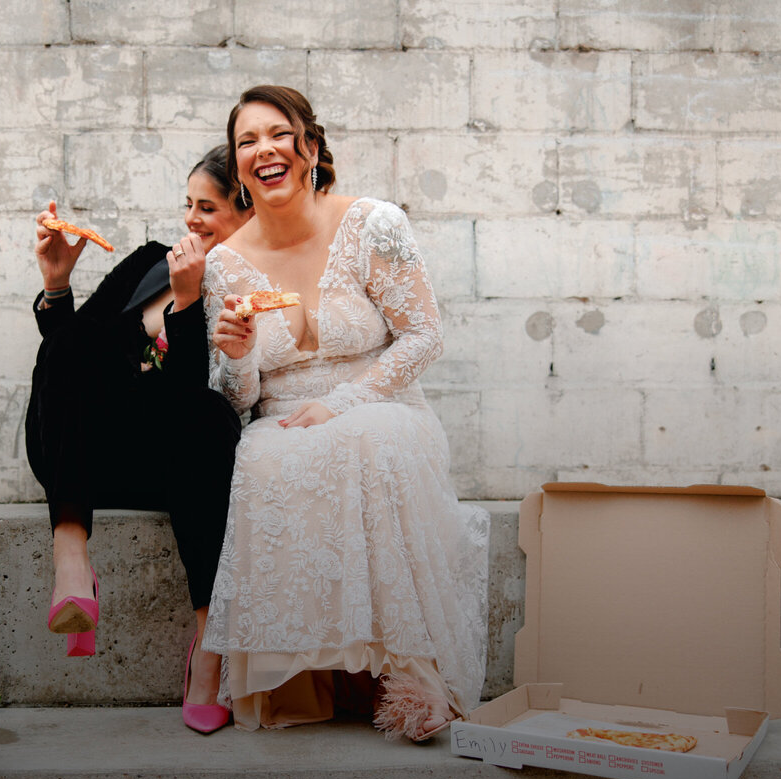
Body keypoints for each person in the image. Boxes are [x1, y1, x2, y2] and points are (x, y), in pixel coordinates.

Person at [203, 86, 488, 741]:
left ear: (308, 146)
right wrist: (239, 357)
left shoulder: (373, 223)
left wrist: (341, 404)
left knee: (371, 442)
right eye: (247, 141)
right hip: (282, 419)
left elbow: (424, 335)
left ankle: (412, 683)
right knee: (262, 459)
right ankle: (310, 679)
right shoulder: (226, 262)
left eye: (278, 134)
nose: (264, 150)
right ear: (240, 165)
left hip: (380, 402)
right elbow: (239, 398)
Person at [25, 146, 251, 733]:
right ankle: (72, 559)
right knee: (71, 339)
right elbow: (70, 351)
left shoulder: (251, 289)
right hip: (82, 449)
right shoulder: (152, 260)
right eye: (189, 205)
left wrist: (188, 300)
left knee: (204, 412)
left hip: (181, 457)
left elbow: (194, 395)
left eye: (210, 208)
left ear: (248, 215)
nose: (192, 221)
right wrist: (56, 284)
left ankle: (210, 644)